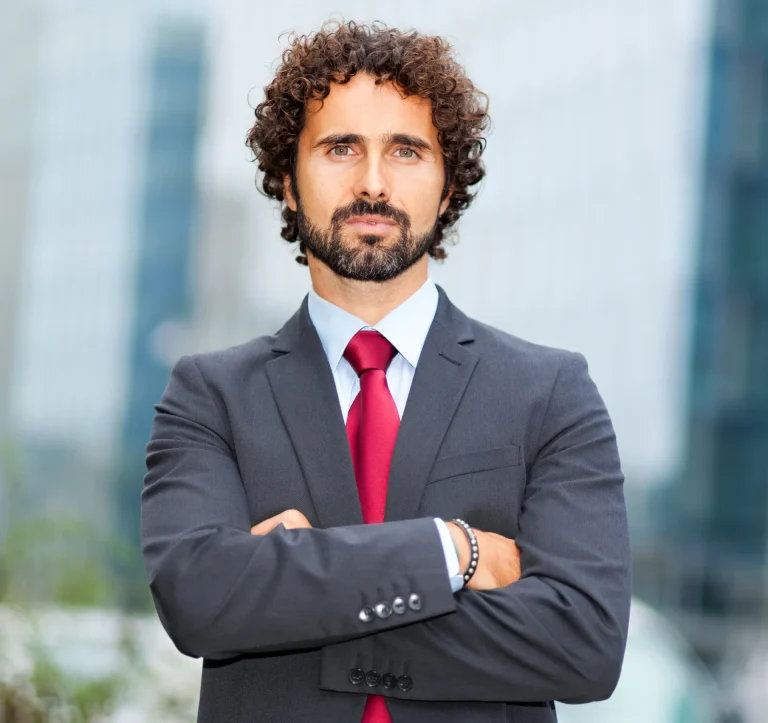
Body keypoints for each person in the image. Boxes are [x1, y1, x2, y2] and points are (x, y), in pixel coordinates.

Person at [141, 20, 631, 723]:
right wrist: (451, 551)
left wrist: (293, 594)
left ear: (448, 185)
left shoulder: (549, 394)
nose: (373, 183)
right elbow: (199, 600)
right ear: (288, 182)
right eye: (340, 148)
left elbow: (584, 644)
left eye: (406, 151)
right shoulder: (209, 396)